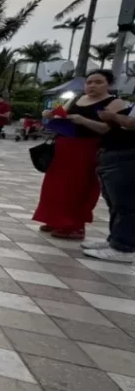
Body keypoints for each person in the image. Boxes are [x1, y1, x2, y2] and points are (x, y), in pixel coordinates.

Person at [33, 70, 127, 240]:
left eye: (98, 82)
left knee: (79, 187)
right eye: (89, 82)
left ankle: (74, 225)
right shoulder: (77, 98)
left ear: (109, 84)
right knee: (55, 185)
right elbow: (59, 113)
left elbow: (107, 128)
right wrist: (50, 115)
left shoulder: (115, 103)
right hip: (65, 146)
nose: (92, 85)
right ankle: (55, 219)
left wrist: (83, 120)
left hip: (89, 148)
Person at [87, 100, 135, 262]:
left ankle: (124, 247)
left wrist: (113, 116)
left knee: (126, 205)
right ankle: (114, 240)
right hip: (114, 154)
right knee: (116, 203)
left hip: (127, 157)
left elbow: (131, 124)